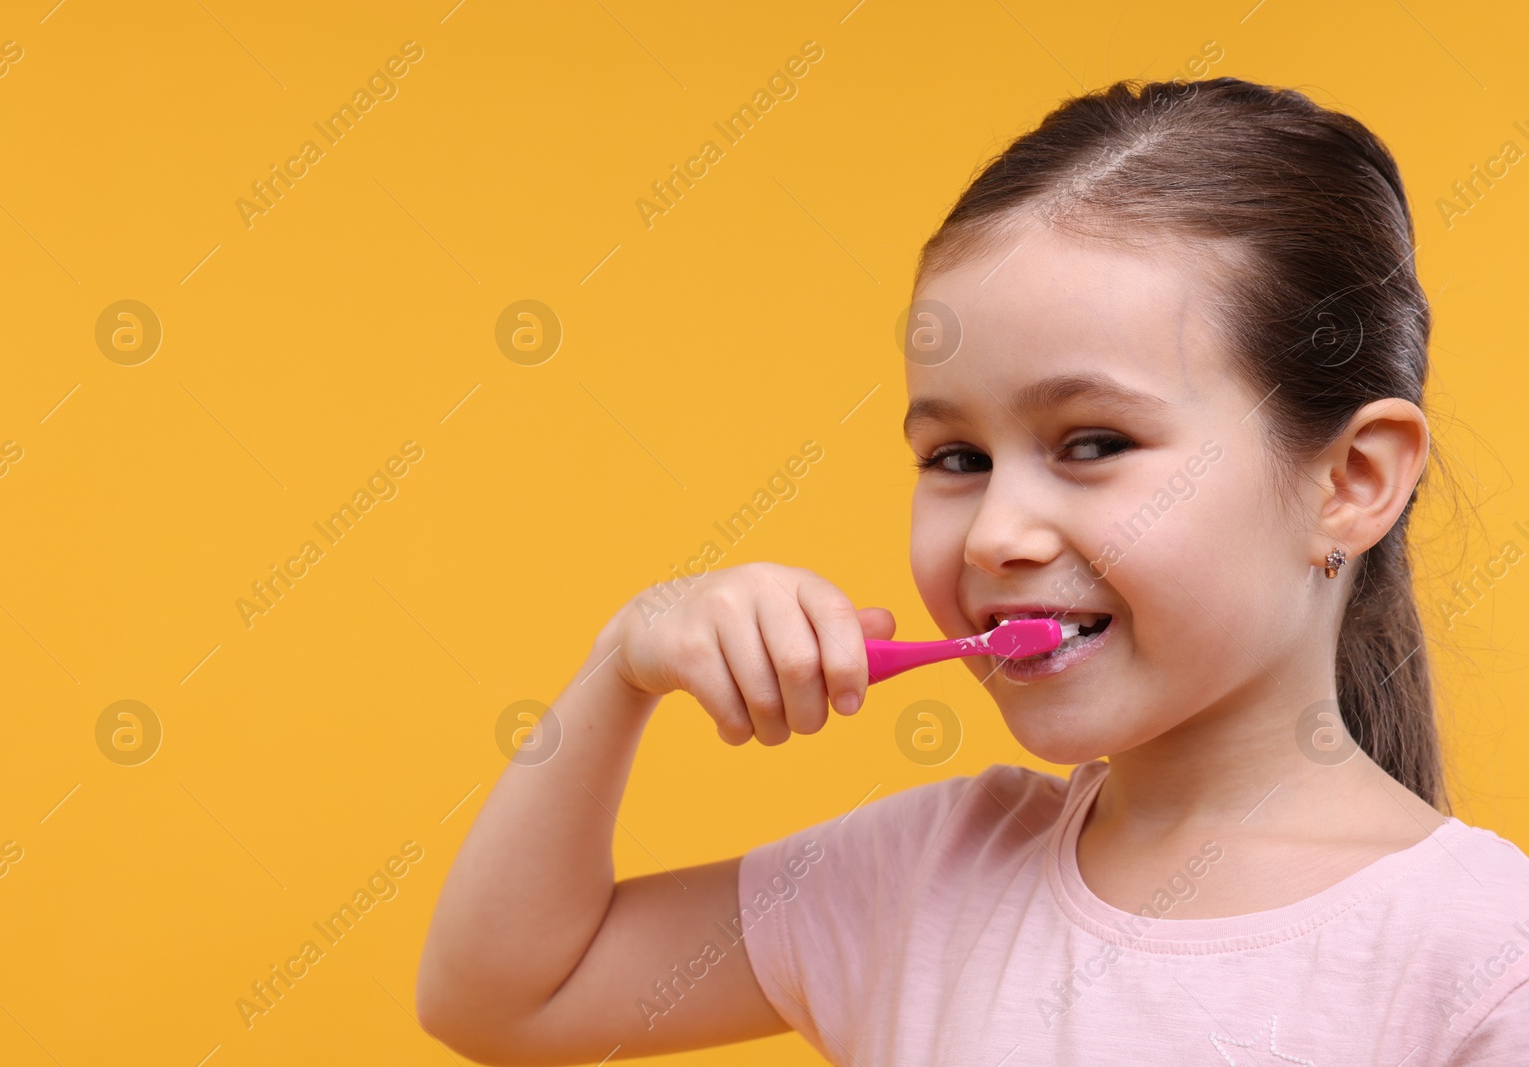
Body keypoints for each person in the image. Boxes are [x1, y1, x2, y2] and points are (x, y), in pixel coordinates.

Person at [415, 77, 1529, 1064]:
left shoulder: (1483, 957)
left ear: (1350, 479)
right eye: (955, 457)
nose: (996, 531)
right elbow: (505, 998)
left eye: (1091, 443)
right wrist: (623, 664)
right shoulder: (925, 875)